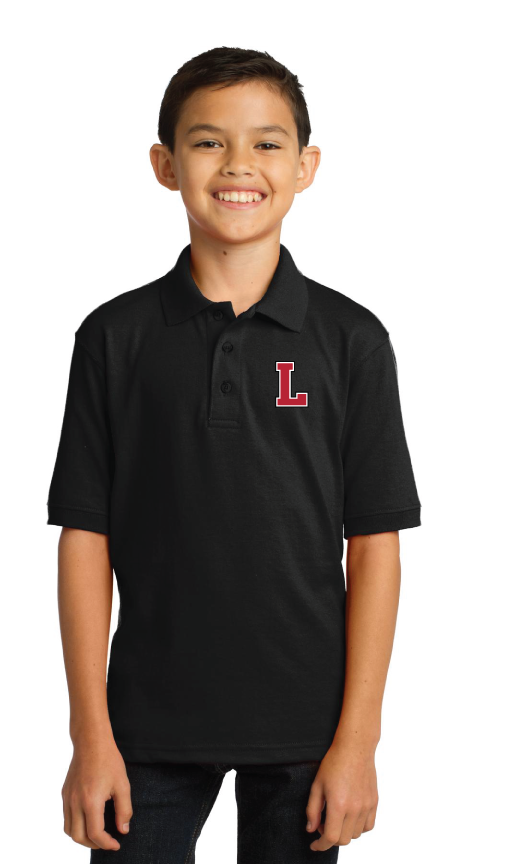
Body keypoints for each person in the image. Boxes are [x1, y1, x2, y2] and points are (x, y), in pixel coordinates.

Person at [47, 46, 421, 862]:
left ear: (305, 166)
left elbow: (375, 544)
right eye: (209, 141)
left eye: (267, 143)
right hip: (144, 726)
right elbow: (84, 537)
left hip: (308, 733)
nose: (238, 165)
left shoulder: (352, 340)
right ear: (165, 164)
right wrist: (90, 736)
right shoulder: (114, 337)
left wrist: (358, 743)